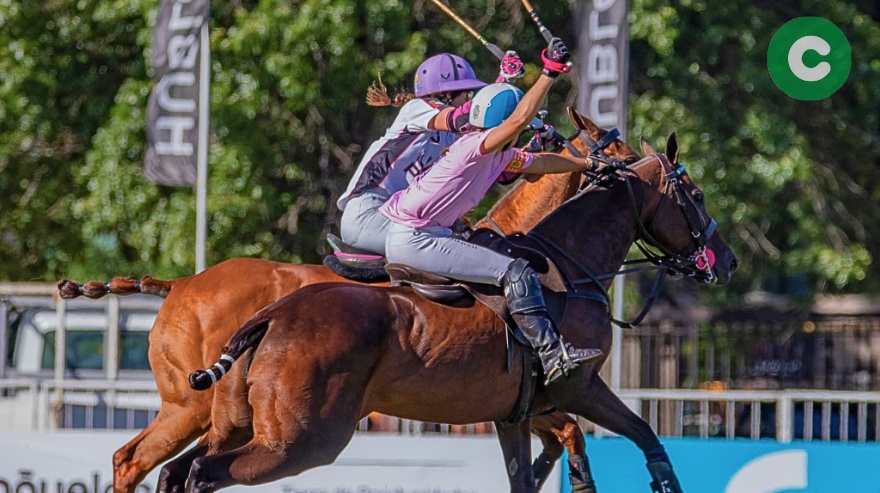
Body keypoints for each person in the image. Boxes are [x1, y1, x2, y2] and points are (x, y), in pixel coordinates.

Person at [380, 37, 602, 385]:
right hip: (417, 239)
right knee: (517, 272)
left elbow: (541, 161)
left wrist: (585, 162)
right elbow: (517, 121)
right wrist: (549, 72)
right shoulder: (475, 147)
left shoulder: (496, 153)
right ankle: (552, 355)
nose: (523, 132)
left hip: (419, 235)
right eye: (518, 128)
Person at [337, 51, 525, 255]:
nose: (469, 98)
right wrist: (503, 81)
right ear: (447, 94)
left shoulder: (453, 138)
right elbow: (460, 119)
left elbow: (502, 167)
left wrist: (533, 145)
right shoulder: (416, 108)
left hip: (398, 218)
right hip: (369, 213)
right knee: (463, 253)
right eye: (467, 93)